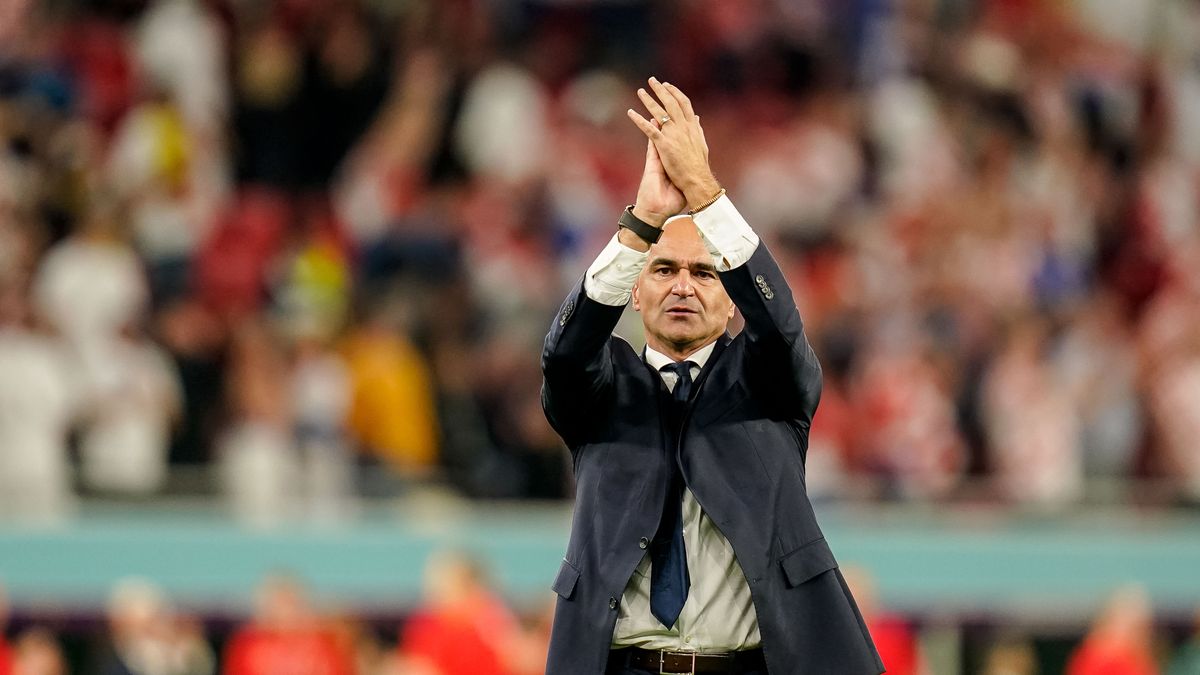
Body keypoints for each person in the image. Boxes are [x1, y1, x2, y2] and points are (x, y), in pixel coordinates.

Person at [540, 77, 882, 674]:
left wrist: (702, 189)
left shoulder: (767, 384)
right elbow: (565, 354)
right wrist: (642, 222)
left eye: (704, 274)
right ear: (636, 293)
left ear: (731, 303)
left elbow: (777, 328)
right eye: (663, 269)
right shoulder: (601, 392)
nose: (682, 286)